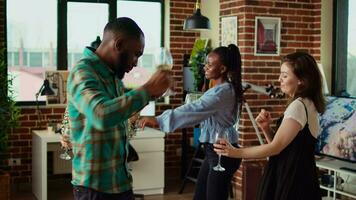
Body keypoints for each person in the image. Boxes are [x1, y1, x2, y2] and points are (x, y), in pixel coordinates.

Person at [64, 17, 170, 200]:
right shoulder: (82, 72)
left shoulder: (113, 77)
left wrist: (152, 94)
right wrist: (147, 89)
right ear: (119, 44)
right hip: (94, 188)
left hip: (120, 183)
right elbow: (101, 114)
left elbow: (116, 113)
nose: (136, 62)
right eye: (136, 54)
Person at [214, 52, 325, 200]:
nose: (279, 79)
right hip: (300, 176)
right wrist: (266, 128)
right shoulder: (308, 103)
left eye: (284, 75)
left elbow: (275, 148)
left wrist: (235, 152)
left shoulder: (298, 106)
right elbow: (284, 147)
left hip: (292, 180)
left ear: (301, 80)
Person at [138, 44, 243, 200]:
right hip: (213, 150)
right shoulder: (219, 89)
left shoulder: (222, 92)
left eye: (210, 64)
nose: (205, 67)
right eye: (206, 63)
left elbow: (194, 109)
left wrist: (158, 120)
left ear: (222, 69)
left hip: (223, 153)